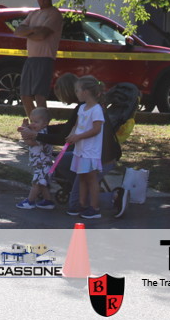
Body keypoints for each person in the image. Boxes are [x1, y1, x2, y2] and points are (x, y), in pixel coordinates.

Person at [18, 72, 128, 218]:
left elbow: (64, 137)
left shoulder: (92, 109)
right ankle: (75, 190)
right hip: (85, 154)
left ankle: (114, 198)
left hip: (99, 157)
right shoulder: (83, 108)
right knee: (60, 162)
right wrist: (41, 129)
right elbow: (69, 128)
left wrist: (37, 135)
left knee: (75, 203)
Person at [14, 0, 64, 119]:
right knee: (25, 95)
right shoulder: (33, 14)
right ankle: (34, 125)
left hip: (45, 59)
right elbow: (18, 31)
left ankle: (42, 126)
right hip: (31, 59)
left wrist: (28, 33)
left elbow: (42, 35)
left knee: (39, 96)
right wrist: (33, 29)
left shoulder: (54, 14)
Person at [66, 76, 107, 220]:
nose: (76, 93)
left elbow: (96, 130)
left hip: (90, 151)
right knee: (82, 177)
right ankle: (82, 204)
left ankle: (94, 208)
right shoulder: (82, 108)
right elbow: (77, 125)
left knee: (91, 179)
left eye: (77, 90)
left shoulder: (96, 110)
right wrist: (72, 135)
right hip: (80, 150)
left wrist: (78, 137)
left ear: (86, 92)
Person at [15, 107, 56, 210]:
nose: (33, 124)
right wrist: (24, 128)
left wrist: (24, 133)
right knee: (42, 184)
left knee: (36, 183)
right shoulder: (37, 131)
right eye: (32, 121)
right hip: (40, 164)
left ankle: (30, 201)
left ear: (45, 123)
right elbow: (29, 133)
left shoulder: (42, 135)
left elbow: (30, 142)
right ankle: (48, 201)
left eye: (36, 122)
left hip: (43, 165)